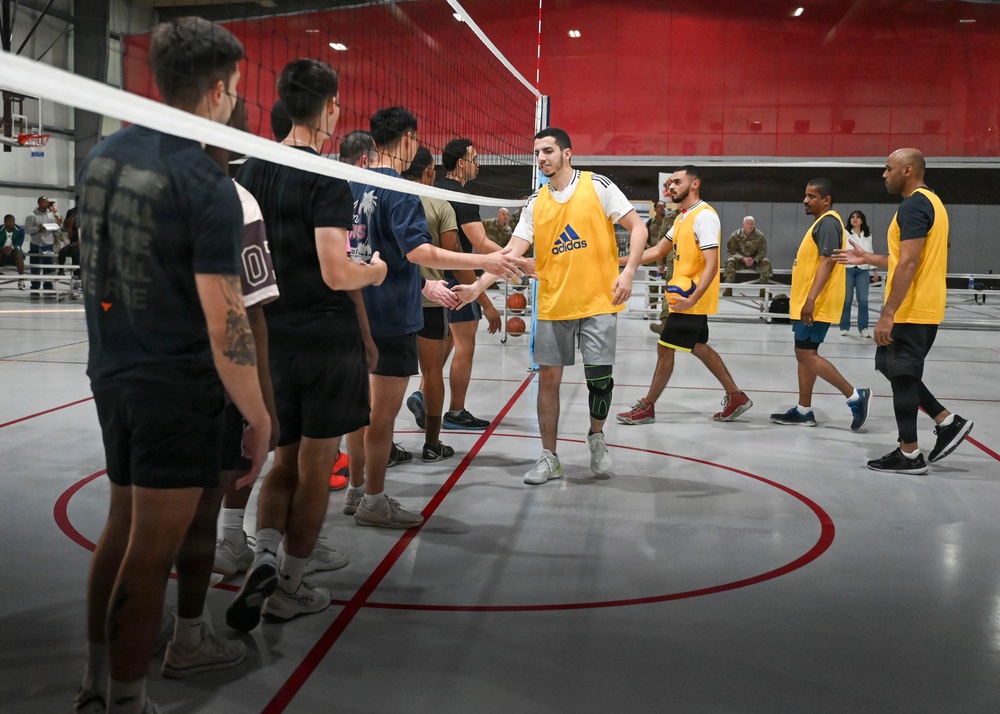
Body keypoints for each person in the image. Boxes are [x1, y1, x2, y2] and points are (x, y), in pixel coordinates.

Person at [73, 17, 269, 714]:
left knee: (121, 528)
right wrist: (257, 414)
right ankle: (126, 699)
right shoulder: (204, 181)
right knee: (151, 552)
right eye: (238, 88)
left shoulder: (100, 156)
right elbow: (226, 318)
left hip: (111, 372)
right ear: (218, 91)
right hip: (175, 386)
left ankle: (97, 684)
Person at [227, 58, 387, 633]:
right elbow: (336, 272)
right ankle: (290, 585)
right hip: (324, 338)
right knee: (316, 469)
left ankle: (264, 556)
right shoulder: (326, 176)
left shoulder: (250, 174)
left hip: (272, 338)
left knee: (282, 462)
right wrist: (373, 270)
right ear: (331, 110)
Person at [346, 107, 522, 524]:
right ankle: (372, 501)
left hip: (355, 310)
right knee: (380, 417)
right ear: (408, 139)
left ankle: (355, 492)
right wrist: (485, 260)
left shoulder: (353, 181)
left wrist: (422, 285)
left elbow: (362, 249)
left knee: (357, 412)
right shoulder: (401, 189)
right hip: (390, 317)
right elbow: (417, 252)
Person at [456, 127, 647, 485]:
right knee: (548, 382)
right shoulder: (535, 203)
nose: (542, 158)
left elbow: (637, 228)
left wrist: (630, 271)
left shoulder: (598, 186)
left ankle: (596, 437)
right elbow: (510, 254)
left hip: (598, 302)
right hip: (554, 305)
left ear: (567, 154)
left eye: (548, 151)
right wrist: (477, 285)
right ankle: (549, 456)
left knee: (600, 381)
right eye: (537, 153)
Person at [836, 148, 974, 474]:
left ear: (908, 171)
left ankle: (909, 453)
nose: (884, 175)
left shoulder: (914, 205)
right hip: (921, 304)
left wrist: (888, 313)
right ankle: (946, 421)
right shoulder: (933, 203)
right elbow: (906, 257)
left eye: (888, 169)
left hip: (912, 308)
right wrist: (869, 260)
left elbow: (910, 262)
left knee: (900, 373)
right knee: (888, 364)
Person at [616, 166, 753, 426]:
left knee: (665, 347)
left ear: (695, 184)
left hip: (690, 298)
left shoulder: (704, 216)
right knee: (698, 347)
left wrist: (693, 298)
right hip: (686, 298)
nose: (670, 187)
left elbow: (713, 263)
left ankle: (647, 407)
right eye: (668, 183)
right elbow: (656, 250)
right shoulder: (682, 217)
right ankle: (736, 396)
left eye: (677, 182)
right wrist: (617, 261)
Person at [769, 179, 871, 430]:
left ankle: (855, 396)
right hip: (810, 301)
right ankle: (804, 410)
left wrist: (811, 300)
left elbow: (827, 263)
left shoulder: (827, 223)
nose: (806, 200)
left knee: (806, 354)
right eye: (805, 195)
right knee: (804, 354)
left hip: (816, 303)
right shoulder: (823, 222)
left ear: (826, 200)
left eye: (812, 196)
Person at [433, 137, 502, 431]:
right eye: (474, 158)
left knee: (443, 343)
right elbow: (480, 243)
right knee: (465, 345)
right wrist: (514, 256)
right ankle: (455, 411)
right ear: (461, 163)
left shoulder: (431, 189)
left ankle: (425, 397)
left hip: (430, 276)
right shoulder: (462, 196)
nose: (478, 164)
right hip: (455, 276)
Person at [402, 145, 462, 461]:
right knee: (432, 371)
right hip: (430, 302)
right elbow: (451, 257)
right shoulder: (440, 204)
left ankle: (382, 447)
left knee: (382, 374)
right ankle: (432, 445)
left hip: (396, 297)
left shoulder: (390, 199)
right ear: (429, 172)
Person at [645, 199, 679, 332]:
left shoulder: (697, 214)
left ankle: (684, 324)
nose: (662, 208)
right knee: (670, 289)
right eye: (659, 206)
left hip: (692, 260)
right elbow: (661, 240)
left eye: (663, 206)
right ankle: (665, 323)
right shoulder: (668, 218)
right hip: (671, 258)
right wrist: (659, 260)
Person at [840, 210, 874, 338]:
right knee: (847, 299)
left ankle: (863, 328)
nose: (855, 219)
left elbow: (870, 251)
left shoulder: (868, 235)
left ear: (862, 220)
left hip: (863, 269)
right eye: (852, 217)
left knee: (863, 300)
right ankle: (844, 327)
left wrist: (874, 269)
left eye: (858, 217)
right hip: (848, 268)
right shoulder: (845, 233)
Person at [722, 216, 772, 294]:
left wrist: (755, 259)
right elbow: (731, 251)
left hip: (755, 262)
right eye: (748, 224)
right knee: (730, 261)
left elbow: (762, 251)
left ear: (754, 225)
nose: (750, 226)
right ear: (743, 224)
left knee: (766, 262)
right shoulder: (735, 235)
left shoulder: (760, 236)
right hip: (739, 262)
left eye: (751, 224)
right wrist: (742, 259)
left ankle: (763, 290)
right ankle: (728, 288)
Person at [24, 195, 59, 292]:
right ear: (39, 203)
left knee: (48, 266)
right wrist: (38, 228)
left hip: (48, 244)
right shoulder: (32, 216)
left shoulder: (50, 215)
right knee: (35, 267)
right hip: (36, 244)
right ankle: (35, 287)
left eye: (47, 202)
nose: (47, 204)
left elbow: (55, 228)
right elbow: (27, 230)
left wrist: (56, 237)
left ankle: (48, 286)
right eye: (44, 202)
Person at [1, 213, 26, 289]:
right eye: (8, 221)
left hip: (14, 253)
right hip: (2, 253)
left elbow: (19, 244)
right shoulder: (0, 229)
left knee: (18, 254)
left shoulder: (20, 230)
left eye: (12, 221)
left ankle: (21, 279)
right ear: (4, 222)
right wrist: (3, 249)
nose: (11, 223)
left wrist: (11, 248)